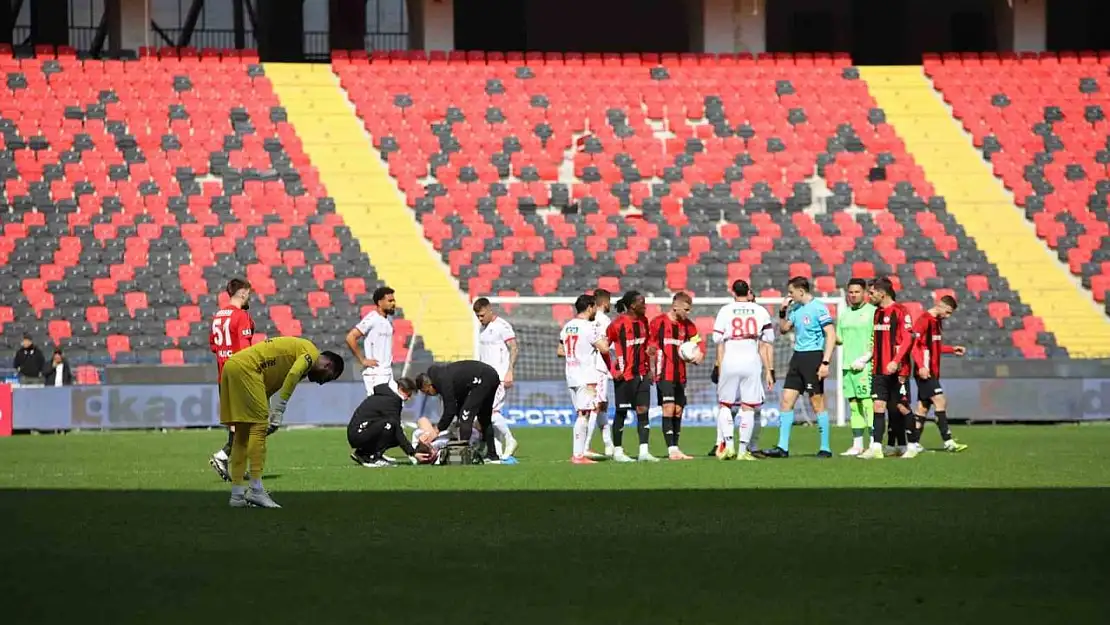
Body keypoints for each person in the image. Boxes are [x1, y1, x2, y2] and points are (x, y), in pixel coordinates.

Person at [221, 337, 345, 508]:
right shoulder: (310, 352)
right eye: (329, 378)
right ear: (328, 365)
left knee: (242, 433)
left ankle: (237, 495)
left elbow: (269, 385)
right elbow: (293, 374)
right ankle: (256, 490)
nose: (322, 383)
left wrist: (268, 412)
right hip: (248, 369)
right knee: (257, 430)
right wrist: (278, 411)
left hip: (233, 365)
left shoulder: (296, 356)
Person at [763, 277, 837, 459]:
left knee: (817, 403)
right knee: (786, 400)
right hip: (797, 358)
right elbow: (783, 330)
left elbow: (831, 334)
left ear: (801, 291)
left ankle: (825, 448)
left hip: (813, 358)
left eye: (791, 292)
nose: (789, 295)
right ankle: (782, 447)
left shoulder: (819, 307)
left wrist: (825, 362)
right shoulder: (795, 308)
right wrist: (782, 312)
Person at [712, 280, 774, 461]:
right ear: (748, 292)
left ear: (733, 293)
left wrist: (730, 334)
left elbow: (716, 338)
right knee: (748, 407)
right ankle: (743, 451)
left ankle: (728, 447)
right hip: (751, 361)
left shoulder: (725, 310)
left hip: (730, 359)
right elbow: (769, 337)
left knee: (725, 404)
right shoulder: (760, 310)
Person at [903, 295, 969, 458]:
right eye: (947, 312)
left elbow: (935, 346)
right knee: (940, 400)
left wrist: (951, 349)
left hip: (932, 371)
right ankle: (948, 441)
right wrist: (921, 366)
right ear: (940, 305)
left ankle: (914, 443)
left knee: (923, 408)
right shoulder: (924, 320)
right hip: (925, 371)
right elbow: (914, 346)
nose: (948, 316)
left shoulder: (937, 322)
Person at [860, 277, 914, 460]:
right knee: (878, 406)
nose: (869, 296)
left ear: (882, 293)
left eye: (872, 292)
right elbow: (876, 342)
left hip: (898, 370)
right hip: (879, 369)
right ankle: (876, 447)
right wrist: (868, 359)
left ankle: (911, 445)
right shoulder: (876, 313)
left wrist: (896, 360)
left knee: (900, 407)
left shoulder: (901, 311)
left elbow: (908, 339)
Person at [208, 278, 256, 481]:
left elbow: (214, 346)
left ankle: (235, 464)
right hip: (239, 376)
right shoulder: (241, 316)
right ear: (243, 293)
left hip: (223, 375)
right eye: (249, 294)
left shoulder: (218, 316)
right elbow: (245, 350)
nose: (250, 298)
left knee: (239, 424)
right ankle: (223, 456)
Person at [648, 292, 703, 460]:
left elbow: (698, 341)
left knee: (678, 410)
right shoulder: (658, 323)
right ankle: (671, 450)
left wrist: (699, 353)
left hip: (680, 374)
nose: (688, 312)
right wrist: (649, 368)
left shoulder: (688, 325)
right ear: (675, 306)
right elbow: (650, 347)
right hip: (663, 372)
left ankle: (676, 448)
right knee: (668, 408)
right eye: (686, 309)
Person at [415, 360, 503, 464]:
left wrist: (437, 430)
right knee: (484, 417)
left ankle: (464, 456)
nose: (429, 395)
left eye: (427, 392)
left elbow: (450, 409)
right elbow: (458, 403)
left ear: (427, 385)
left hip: (483, 378)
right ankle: (492, 455)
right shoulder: (444, 376)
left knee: (465, 417)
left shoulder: (441, 380)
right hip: (490, 376)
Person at [559, 293, 611, 464]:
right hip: (586, 376)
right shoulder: (590, 327)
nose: (596, 309)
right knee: (584, 414)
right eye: (595, 306)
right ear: (590, 307)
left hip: (571, 375)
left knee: (582, 413)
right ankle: (578, 455)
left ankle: (579, 454)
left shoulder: (567, 326)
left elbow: (560, 351)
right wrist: (609, 336)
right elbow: (604, 348)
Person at [606, 290, 656, 462]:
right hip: (624, 376)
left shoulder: (644, 321)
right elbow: (603, 349)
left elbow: (649, 342)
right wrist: (613, 370)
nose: (645, 306)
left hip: (642, 374)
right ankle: (618, 452)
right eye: (642, 303)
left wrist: (650, 365)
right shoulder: (617, 324)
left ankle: (643, 451)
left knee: (643, 410)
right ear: (633, 305)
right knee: (621, 412)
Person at [348, 377, 434, 467]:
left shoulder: (387, 395)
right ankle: (371, 457)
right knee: (392, 427)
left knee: (395, 433)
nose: (408, 399)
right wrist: (413, 453)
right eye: (408, 395)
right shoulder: (392, 400)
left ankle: (364, 453)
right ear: (400, 389)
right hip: (359, 433)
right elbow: (396, 426)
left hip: (360, 432)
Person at [473, 297, 520, 458]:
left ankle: (510, 439)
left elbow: (514, 348)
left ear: (490, 309)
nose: (480, 319)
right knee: (487, 415)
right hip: (485, 378)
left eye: (482, 315)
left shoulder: (502, 326)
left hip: (498, 376)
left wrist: (509, 371)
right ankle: (497, 452)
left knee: (492, 412)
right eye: (477, 316)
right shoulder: (482, 328)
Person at [836, 278, 876, 456]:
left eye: (857, 292)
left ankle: (874, 443)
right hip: (847, 365)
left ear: (865, 293)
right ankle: (857, 444)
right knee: (853, 405)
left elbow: (879, 340)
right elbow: (839, 338)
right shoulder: (844, 313)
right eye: (850, 292)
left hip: (865, 365)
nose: (853, 295)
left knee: (868, 403)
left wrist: (866, 357)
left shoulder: (873, 312)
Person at [346, 286, 397, 395]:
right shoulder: (372, 318)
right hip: (376, 373)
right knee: (380, 406)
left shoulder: (387, 320)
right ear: (379, 302)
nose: (393, 303)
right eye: (390, 301)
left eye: (394, 300)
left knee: (396, 403)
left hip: (387, 371)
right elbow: (351, 337)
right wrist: (362, 360)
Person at [584, 288, 615, 459]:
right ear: (604, 302)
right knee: (596, 406)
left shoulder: (588, 319)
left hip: (588, 367)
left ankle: (608, 444)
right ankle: (585, 446)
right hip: (599, 367)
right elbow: (606, 345)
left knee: (602, 405)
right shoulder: (604, 320)